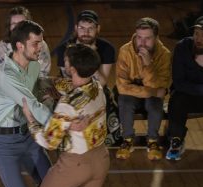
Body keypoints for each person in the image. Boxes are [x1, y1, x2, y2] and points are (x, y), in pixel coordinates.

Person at [22, 43, 110, 187]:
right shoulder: (97, 87)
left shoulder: (67, 104)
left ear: (73, 69)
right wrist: (44, 84)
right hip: (101, 159)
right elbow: (66, 85)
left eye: (66, 60)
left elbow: (49, 142)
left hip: (75, 164)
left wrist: (30, 119)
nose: (64, 62)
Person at [0, 20, 52, 187]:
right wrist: (60, 125)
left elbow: (37, 93)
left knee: (52, 185)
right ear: (20, 46)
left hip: (27, 135)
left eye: (41, 42)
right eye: (36, 43)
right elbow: (31, 104)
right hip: (3, 142)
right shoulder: (6, 73)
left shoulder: (35, 65)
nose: (41, 47)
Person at [56, 9, 121, 146]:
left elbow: (102, 82)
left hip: (96, 89)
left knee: (105, 100)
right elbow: (68, 78)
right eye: (82, 28)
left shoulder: (107, 48)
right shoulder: (64, 48)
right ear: (76, 28)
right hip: (70, 89)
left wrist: (90, 56)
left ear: (98, 29)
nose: (86, 33)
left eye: (90, 28)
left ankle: (103, 141)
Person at [115, 17, 171, 160]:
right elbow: (122, 87)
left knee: (155, 104)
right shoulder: (125, 51)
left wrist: (148, 66)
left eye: (147, 38)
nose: (142, 43)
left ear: (156, 38)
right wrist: (153, 91)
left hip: (149, 95)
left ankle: (152, 141)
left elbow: (162, 83)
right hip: (132, 94)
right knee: (124, 101)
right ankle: (127, 140)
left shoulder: (164, 54)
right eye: (139, 37)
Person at [166, 16, 203, 161]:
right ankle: (176, 141)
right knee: (177, 101)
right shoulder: (182, 47)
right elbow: (179, 82)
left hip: (194, 89)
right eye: (197, 33)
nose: (199, 38)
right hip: (186, 94)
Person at [0, 6, 51, 77]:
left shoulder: (40, 45)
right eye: (14, 24)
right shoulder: (2, 46)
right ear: (9, 26)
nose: (18, 27)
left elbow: (43, 71)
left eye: (21, 23)